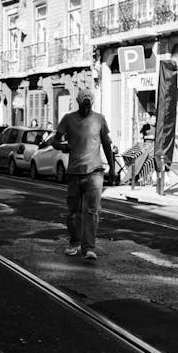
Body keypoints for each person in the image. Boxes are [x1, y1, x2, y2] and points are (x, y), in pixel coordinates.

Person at [51, 87, 115, 261]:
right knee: (73, 212)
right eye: (83, 105)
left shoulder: (100, 119)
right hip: (74, 172)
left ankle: (88, 248)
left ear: (92, 103)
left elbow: (107, 145)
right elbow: (54, 141)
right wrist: (63, 146)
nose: (86, 109)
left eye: (89, 105)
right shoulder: (68, 119)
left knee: (92, 211)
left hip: (95, 172)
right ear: (79, 103)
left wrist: (112, 167)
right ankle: (74, 242)